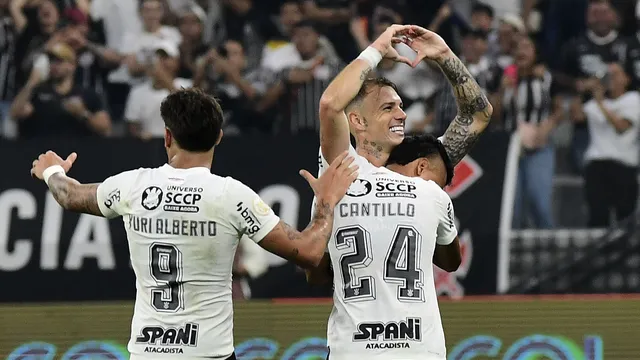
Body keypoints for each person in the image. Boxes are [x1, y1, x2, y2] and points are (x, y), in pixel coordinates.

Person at [29, 87, 358, 360]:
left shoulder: (132, 187)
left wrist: (51, 170)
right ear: (218, 137)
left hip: (149, 352)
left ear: (167, 136)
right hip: (208, 353)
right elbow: (309, 252)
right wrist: (327, 200)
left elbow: (69, 196)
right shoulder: (231, 196)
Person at [309, 24, 492, 359]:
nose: (402, 114)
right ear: (358, 122)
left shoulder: (419, 170)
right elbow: (330, 104)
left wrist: (443, 55)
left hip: (419, 350)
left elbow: (477, 114)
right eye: (388, 107)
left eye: (400, 105)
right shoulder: (341, 168)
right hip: (357, 350)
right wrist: (377, 48)